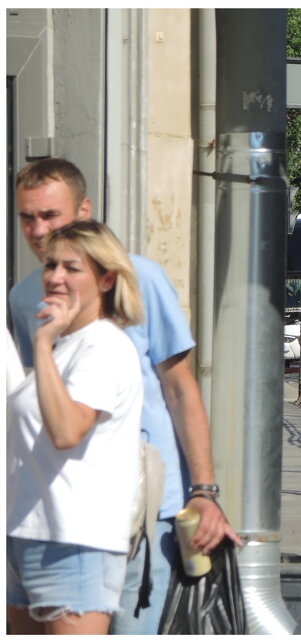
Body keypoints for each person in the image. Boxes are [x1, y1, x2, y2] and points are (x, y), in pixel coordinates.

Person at [10, 158, 239, 634]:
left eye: (50, 215)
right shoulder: (24, 296)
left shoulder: (140, 278)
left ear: (84, 209)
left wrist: (204, 491)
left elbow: (180, 388)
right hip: (60, 511)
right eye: (26, 217)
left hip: (148, 505)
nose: (37, 229)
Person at [7, 220, 144, 634]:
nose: (56, 277)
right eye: (51, 265)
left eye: (72, 267)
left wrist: (43, 344)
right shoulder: (70, 345)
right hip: (27, 533)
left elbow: (67, 431)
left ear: (106, 279)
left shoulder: (104, 346)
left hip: (76, 542)